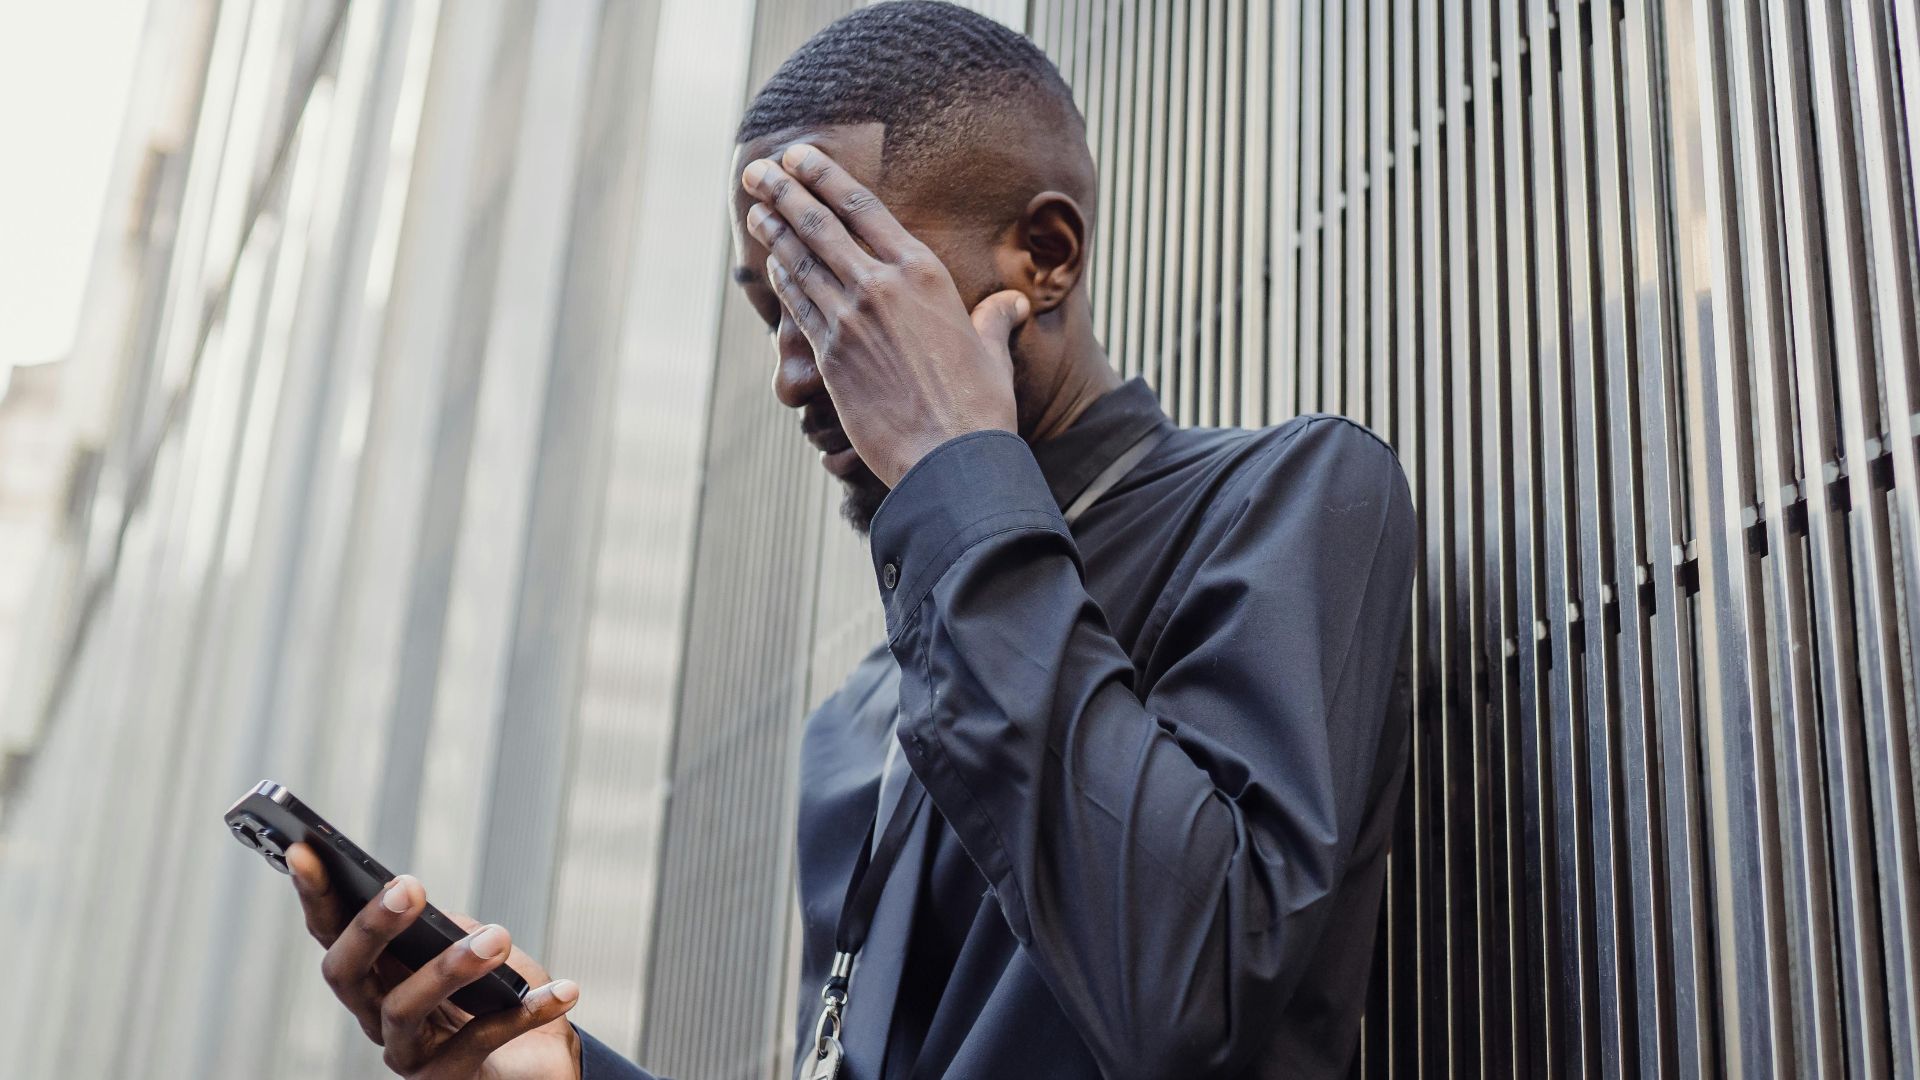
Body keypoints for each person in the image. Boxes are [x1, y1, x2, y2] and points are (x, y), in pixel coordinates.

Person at [284, 3, 1417, 1077]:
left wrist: (948, 461)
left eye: (839, 293)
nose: (791, 373)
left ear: (1046, 257)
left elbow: (1194, 992)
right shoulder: (863, 719)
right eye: (773, 312)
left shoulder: (1285, 503)